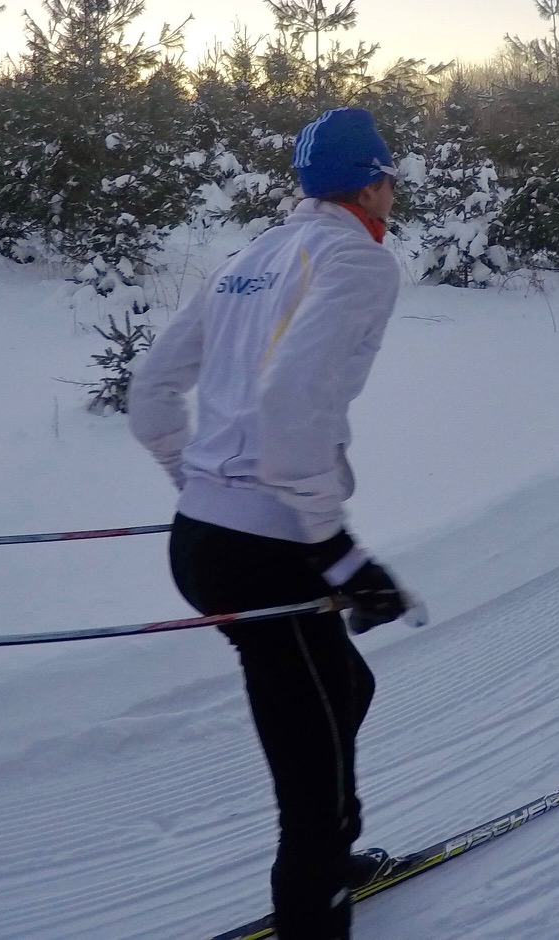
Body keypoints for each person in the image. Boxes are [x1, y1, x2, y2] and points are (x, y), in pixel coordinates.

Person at [128, 106, 411, 940]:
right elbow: (291, 412)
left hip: (203, 541)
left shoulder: (251, 256)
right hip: (268, 551)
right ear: (369, 184)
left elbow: (150, 392)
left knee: (345, 688)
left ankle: (336, 855)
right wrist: (338, 553)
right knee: (309, 781)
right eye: (392, 177)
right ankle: (316, 899)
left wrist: (200, 483)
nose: (397, 192)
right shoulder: (357, 261)